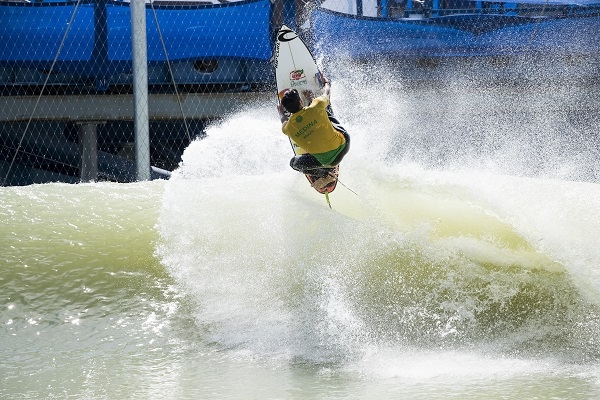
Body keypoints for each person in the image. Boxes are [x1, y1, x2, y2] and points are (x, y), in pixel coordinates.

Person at [277, 79, 350, 178]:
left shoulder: (288, 128)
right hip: (344, 146)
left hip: (326, 163)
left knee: (293, 163)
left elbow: (283, 119)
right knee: (323, 111)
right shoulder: (317, 105)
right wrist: (326, 84)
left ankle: (323, 173)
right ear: (300, 101)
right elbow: (327, 92)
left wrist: (280, 111)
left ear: (286, 109)